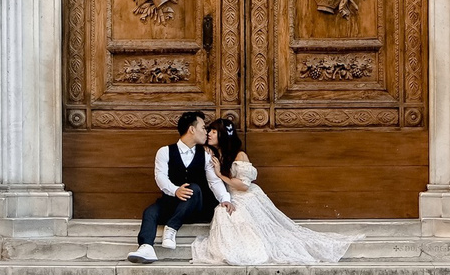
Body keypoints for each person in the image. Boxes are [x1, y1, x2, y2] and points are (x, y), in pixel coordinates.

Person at [191, 113, 359, 266]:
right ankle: (232, 248)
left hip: (245, 195)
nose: (209, 134)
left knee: (234, 214)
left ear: (222, 134)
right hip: (231, 195)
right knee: (222, 212)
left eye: (213, 131)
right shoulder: (214, 153)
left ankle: (252, 247)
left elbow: (244, 185)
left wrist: (220, 174)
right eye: (209, 131)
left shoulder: (239, 155)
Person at [131, 109, 233, 262]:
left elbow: (214, 181)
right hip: (171, 203)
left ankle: (171, 228)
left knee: (194, 188)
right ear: (192, 129)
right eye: (203, 127)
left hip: (195, 208)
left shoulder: (205, 154)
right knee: (150, 212)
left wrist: (225, 198)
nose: (206, 132)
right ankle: (145, 247)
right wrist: (175, 190)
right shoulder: (164, 151)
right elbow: (160, 177)